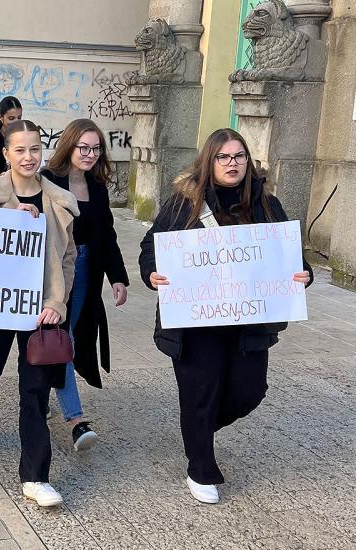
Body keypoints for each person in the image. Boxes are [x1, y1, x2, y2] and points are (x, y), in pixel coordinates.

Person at [138, 128, 313, 505]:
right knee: (200, 392)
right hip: (196, 323)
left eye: (239, 156)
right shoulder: (184, 204)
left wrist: (304, 274)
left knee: (249, 392)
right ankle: (200, 468)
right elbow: (151, 246)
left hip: (248, 322)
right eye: (224, 157)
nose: (232, 164)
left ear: (248, 162)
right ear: (209, 162)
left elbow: (292, 257)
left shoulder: (266, 204)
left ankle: (195, 430)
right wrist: (151, 272)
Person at [0, 119, 79, 508]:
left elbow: (68, 260)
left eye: (34, 149)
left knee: (35, 391)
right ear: (6, 154)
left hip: (41, 310)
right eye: (20, 149)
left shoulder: (59, 199)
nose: (28, 157)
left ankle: (35, 476)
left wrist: (57, 304)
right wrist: (13, 216)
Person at [41, 119, 129, 451]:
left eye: (96, 148)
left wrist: (118, 277)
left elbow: (106, 235)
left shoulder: (98, 186)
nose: (90, 154)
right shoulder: (48, 181)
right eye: (84, 147)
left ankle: (48, 391)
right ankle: (76, 420)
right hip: (52, 271)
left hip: (85, 269)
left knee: (67, 338)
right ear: (69, 145)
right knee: (61, 338)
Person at [0, 96, 23, 178]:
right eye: (11, 118)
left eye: (19, 118)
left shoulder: (23, 134)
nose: (16, 122)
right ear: (0, 117)